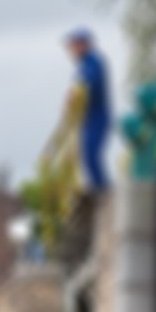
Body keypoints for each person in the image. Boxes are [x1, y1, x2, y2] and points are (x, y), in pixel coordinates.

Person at [66, 29, 113, 192]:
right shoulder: (83, 65)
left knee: (91, 151)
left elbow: (89, 84)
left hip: (98, 115)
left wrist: (75, 93)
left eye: (74, 45)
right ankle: (97, 188)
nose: (71, 49)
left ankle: (102, 190)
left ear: (84, 44)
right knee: (85, 153)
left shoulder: (94, 62)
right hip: (87, 117)